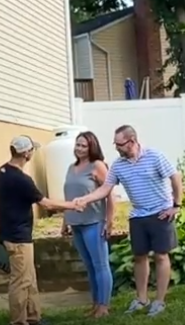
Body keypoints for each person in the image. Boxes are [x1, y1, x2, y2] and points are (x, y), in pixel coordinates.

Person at [73, 125, 182, 317]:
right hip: (138, 216)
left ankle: (159, 301)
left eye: (119, 144)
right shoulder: (118, 165)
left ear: (132, 141)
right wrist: (85, 199)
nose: (116, 148)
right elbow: (105, 189)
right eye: (115, 144)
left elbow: (175, 177)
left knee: (161, 256)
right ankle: (141, 299)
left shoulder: (154, 156)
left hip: (160, 213)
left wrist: (176, 205)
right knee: (139, 257)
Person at [0, 135, 84, 325]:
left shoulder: (1, 173)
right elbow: (47, 204)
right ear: (26, 153)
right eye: (32, 150)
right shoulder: (21, 179)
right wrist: (72, 205)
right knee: (20, 281)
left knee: (29, 278)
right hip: (18, 237)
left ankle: (33, 317)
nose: (33, 153)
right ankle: (19, 321)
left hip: (11, 234)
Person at [59, 131, 115, 318]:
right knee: (89, 266)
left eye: (84, 145)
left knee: (100, 265)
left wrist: (109, 220)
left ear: (92, 147)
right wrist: (65, 221)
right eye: (77, 145)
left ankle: (104, 306)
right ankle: (95, 304)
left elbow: (109, 194)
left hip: (94, 222)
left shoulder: (97, 166)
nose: (79, 149)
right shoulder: (70, 167)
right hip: (76, 224)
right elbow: (69, 197)